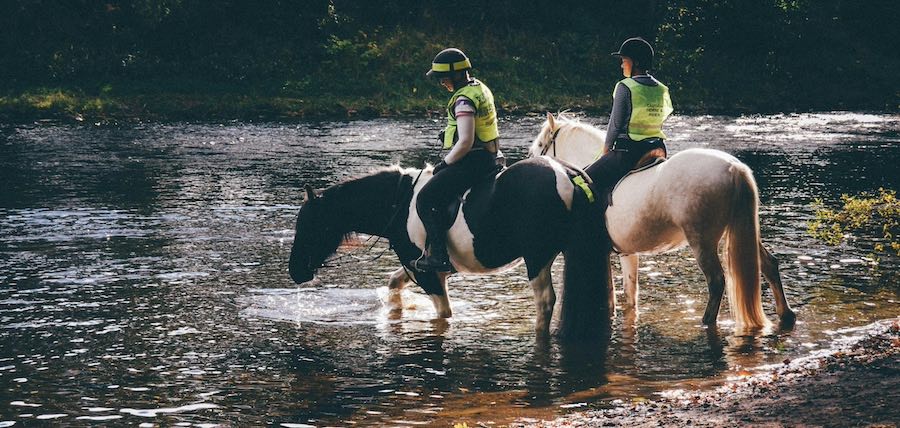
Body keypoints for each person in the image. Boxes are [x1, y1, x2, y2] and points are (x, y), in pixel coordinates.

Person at [412, 48, 500, 272]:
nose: (442, 83)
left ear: (457, 75)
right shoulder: (479, 88)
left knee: (425, 199)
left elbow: (466, 142)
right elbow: (473, 130)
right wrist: (449, 135)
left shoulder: (462, 100)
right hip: (491, 156)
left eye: (444, 78)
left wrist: (444, 164)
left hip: (472, 162)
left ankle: (439, 257)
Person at [585, 37, 672, 195]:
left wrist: (606, 151)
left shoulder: (625, 87)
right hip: (658, 149)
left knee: (583, 182)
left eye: (624, 60)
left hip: (628, 153)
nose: (621, 64)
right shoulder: (661, 89)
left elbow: (615, 125)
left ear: (635, 63)